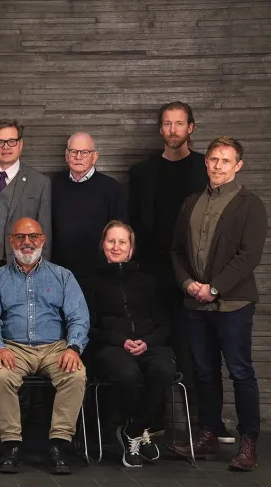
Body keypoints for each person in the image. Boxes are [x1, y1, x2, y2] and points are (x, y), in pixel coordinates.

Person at [168, 137, 267, 471]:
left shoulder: (250, 204)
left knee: (240, 372)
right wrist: (187, 284)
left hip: (234, 303)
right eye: (213, 159)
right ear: (205, 162)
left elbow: (249, 255)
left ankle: (248, 442)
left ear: (238, 165)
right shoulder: (191, 202)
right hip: (195, 303)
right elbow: (177, 251)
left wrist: (214, 289)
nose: (218, 166)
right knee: (204, 372)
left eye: (226, 161)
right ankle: (209, 434)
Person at [128, 102, 222, 440]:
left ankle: (208, 426)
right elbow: (135, 226)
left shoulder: (204, 169)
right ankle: (153, 420)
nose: (172, 130)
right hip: (153, 272)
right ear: (160, 129)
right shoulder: (142, 172)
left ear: (191, 128)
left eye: (179, 124)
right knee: (155, 346)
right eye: (167, 124)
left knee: (199, 348)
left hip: (197, 273)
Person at [0, 217, 88, 475]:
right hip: (12, 347)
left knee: (76, 374)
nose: (26, 242)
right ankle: (11, 445)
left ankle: (59, 444)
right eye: (20, 237)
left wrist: (73, 348)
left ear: (42, 240)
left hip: (55, 348)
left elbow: (79, 317)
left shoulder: (63, 276)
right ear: (11, 242)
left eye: (32, 237)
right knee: (1, 375)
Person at [84, 221, 175, 468]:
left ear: (131, 248)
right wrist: (120, 340)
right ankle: (139, 432)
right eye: (111, 241)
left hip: (149, 345)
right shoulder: (90, 282)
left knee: (163, 370)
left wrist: (147, 342)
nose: (116, 247)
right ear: (102, 245)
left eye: (122, 242)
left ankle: (133, 429)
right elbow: (88, 327)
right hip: (112, 347)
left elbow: (164, 325)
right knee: (127, 373)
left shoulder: (147, 281)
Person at [0, 119, 52, 305]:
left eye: (11, 141)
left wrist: (37, 279)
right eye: (0, 142)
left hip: (18, 274)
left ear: (20, 144)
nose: (6, 146)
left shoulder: (40, 183)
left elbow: (45, 237)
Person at [52, 132, 126, 283]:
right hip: (60, 272)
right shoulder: (54, 185)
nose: (78, 157)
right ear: (67, 156)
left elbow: (120, 231)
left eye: (85, 152)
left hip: (99, 273)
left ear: (95, 156)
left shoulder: (111, 188)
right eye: (73, 152)